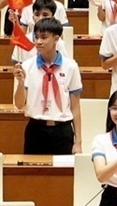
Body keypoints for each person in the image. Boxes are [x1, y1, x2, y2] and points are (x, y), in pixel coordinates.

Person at [13, 17, 83, 154]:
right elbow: (20, 104)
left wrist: (78, 142)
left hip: (62, 130)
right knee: (34, 174)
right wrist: (20, 83)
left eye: (44, 37)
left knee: (63, 174)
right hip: (36, 129)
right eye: (36, 37)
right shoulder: (27, 66)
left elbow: (75, 107)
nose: (38, 42)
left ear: (56, 39)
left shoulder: (71, 67)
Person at [12, 0, 68, 64]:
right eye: (37, 15)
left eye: (45, 15)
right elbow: (16, 62)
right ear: (33, 17)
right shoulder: (22, 40)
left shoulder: (58, 42)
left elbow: (64, 65)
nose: (40, 18)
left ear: (52, 18)